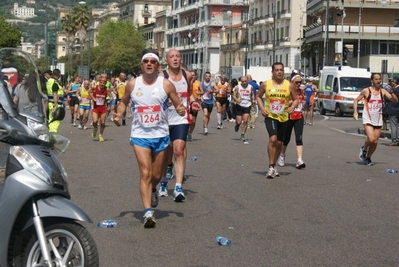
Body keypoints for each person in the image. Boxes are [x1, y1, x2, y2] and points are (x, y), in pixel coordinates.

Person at [113, 50, 185, 228]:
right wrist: (118, 114)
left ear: (158, 65)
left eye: (153, 61)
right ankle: (148, 213)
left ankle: (153, 188)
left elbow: (178, 104)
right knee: (145, 173)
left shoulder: (166, 85)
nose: (149, 64)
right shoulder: (132, 84)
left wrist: (181, 110)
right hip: (140, 135)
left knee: (156, 175)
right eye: (146, 61)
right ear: (141, 65)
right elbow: (123, 102)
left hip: (160, 135)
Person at [158, 49, 193, 202]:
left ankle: (178, 188)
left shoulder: (188, 75)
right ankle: (164, 182)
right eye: (171, 57)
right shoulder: (161, 77)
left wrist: (194, 102)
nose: (175, 59)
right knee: (166, 154)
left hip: (181, 119)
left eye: (177, 56)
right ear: (166, 60)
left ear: (181, 59)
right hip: (164, 120)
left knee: (178, 151)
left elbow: (189, 93)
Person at [256, 62, 298, 178]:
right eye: (277, 70)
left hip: (284, 117)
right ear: (272, 72)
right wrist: (262, 108)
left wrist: (292, 107)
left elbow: (296, 99)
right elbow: (258, 96)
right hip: (270, 116)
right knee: (273, 139)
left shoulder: (289, 85)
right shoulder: (266, 84)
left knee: (279, 142)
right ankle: (270, 166)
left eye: (281, 70)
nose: (279, 72)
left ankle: (274, 165)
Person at [354, 73, 398, 166]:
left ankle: (368, 158)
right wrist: (355, 112)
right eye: (376, 79)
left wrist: (391, 91)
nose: (378, 81)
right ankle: (364, 149)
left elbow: (395, 100)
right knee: (371, 138)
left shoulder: (383, 91)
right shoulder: (367, 91)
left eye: (379, 79)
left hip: (378, 118)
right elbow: (356, 100)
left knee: (375, 141)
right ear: (372, 81)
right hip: (368, 117)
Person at [277, 73, 306, 169]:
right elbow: (282, 102)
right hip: (288, 117)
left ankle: (299, 160)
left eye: (300, 82)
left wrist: (302, 103)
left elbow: (303, 103)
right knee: (286, 139)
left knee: (299, 138)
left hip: (299, 117)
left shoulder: (302, 91)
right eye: (296, 82)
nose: (298, 84)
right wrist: (292, 102)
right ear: (292, 82)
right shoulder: (287, 91)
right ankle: (282, 155)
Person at [232, 75, 254, 144]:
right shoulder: (238, 87)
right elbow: (233, 95)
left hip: (247, 104)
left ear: (247, 80)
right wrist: (236, 99)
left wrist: (253, 99)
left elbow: (252, 94)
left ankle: (242, 135)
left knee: (246, 121)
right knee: (239, 121)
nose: (244, 82)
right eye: (243, 81)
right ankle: (237, 125)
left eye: (245, 81)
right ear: (240, 81)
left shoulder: (250, 87)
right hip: (239, 105)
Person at [90, 77, 112, 142]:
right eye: (101, 83)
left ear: (105, 84)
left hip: (103, 108)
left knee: (102, 123)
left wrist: (109, 100)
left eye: (103, 83)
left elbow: (111, 96)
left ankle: (101, 135)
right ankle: (95, 128)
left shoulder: (106, 89)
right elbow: (89, 92)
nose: (102, 84)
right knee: (95, 121)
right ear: (99, 82)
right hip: (96, 108)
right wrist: (93, 98)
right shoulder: (95, 87)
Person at [46, 69, 65, 133]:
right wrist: (55, 105)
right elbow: (55, 94)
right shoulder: (54, 82)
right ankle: (53, 136)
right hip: (55, 104)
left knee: (51, 120)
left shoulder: (49, 81)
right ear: (59, 74)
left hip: (50, 103)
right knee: (56, 121)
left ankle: (50, 135)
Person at [188, 70, 203, 141]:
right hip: (188, 103)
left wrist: (199, 93)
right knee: (189, 119)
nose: (192, 76)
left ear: (195, 76)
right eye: (191, 75)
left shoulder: (198, 83)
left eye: (193, 75)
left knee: (193, 121)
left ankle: (190, 133)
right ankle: (185, 131)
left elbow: (202, 91)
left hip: (195, 104)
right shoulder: (186, 82)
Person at [385, 77, 399, 146]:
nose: (391, 82)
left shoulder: (393, 90)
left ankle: (394, 140)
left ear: (395, 82)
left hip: (393, 109)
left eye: (392, 81)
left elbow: (387, 98)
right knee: (398, 126)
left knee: (393, 125)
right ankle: (398, 140)